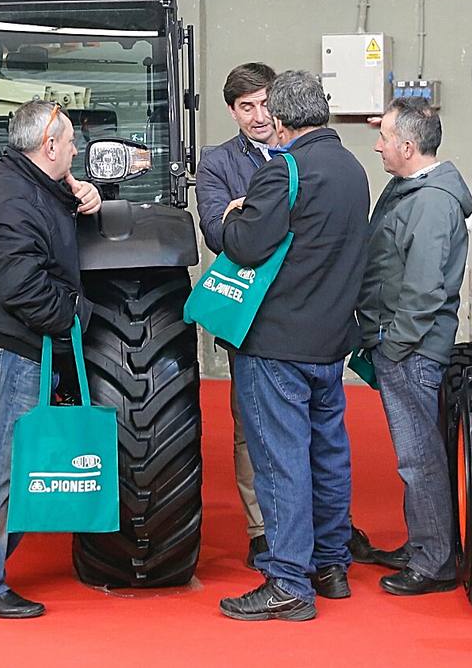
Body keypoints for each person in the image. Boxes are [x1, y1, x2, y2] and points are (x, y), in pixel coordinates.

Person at [197, 63, 391, 571]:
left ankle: (287, 580)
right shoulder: (352, 168)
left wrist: (240, 214)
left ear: (282, 118)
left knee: (279, 461)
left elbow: (242, 244)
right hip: (330, 342)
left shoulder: (284, 169)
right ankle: (330, 566)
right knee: (328, 455)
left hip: (276, 342)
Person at [0, 99, 101, 619]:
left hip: (8, 345)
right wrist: (74, 315)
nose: (78, 149)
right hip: (9, 350)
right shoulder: (14, 197)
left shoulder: (15, 180)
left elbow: (38, 235)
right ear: (49, 146)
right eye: (72, 141)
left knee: (12, 465)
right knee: (1, 468)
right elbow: (21, 286)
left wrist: (76, 194)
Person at [358, 98, 472, 595]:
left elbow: (424, 287)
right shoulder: (414, 190)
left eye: (384, 136)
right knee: (420, 454)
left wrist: (394, 344)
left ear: (407, 146)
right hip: (409, 345)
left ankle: (433, 562)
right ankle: (428, 544)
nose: (378, 144)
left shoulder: (429, 202)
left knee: (418, 457)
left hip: (412, 349)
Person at [194, 62, 275, 565]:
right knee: (251, 429)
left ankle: (321, 524)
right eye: (247, 107)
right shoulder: (217, 162)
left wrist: (249, 209)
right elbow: (219, 233)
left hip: (307, 311)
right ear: (233, 111)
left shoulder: (301, 151)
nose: (259, 116)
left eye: (265, 103)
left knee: (314, 426)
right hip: (248, 315)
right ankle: (262, 529)